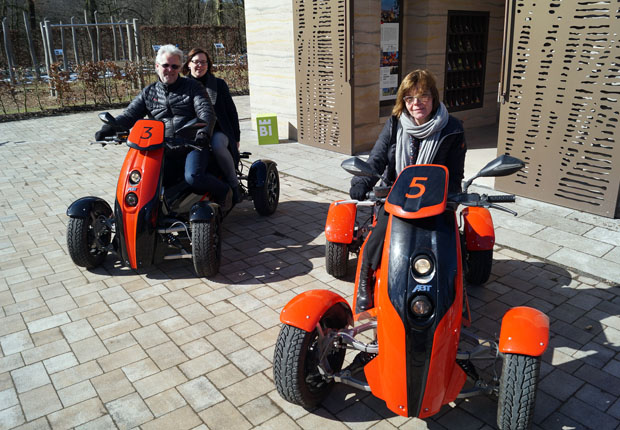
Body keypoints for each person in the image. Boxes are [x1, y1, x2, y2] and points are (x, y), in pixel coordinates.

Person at [350, 69, 467, 312]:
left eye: (423, 96)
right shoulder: (395, 124)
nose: (416, 103)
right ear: (403, 101)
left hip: (435, 200)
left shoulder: (453, 128)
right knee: (379, 232)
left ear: (433, 97)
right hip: (396, 196)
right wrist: (361, 183)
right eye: (410, 98)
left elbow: (455, 174)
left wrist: (453, 197)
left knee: (449, 241)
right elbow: (377, 158)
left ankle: (453, 290)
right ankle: (364, 279)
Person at [94, 44, 230, 205]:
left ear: (180, 68)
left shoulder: (193, 87)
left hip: (191, 145)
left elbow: (206, 112)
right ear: (157, 66)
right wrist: (109, 128)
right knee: (141, 181)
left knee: (194, 177)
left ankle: (224, 191)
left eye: (174, 66)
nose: (170, 70)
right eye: (166, 65)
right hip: (160, 147)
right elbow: (130, 115)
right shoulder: (149, 92)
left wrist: (203, 134)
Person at [182, 47, 242, 203]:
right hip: (192, 132)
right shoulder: (182, 85)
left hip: (218, 130)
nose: (199, 66)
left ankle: (233, 184)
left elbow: (231, 111)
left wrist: (236, 136)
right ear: (188, 64)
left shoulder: (219, 84)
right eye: (196, 62)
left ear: (208, 65)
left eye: (203, 62)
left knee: (217, 145)